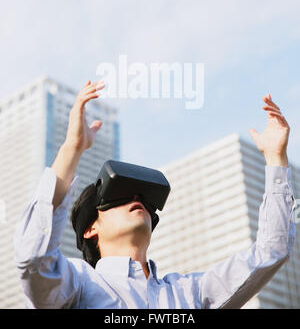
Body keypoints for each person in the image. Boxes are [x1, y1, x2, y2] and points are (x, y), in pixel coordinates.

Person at [14, 80, 296, 309]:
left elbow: (271, 250)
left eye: (144, 199)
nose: (136, 200)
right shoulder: (78, 285)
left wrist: (275, 159)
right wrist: (72, 148)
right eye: (119, 195)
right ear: (90, 228)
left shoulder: (189, 294)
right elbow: (34, 259)